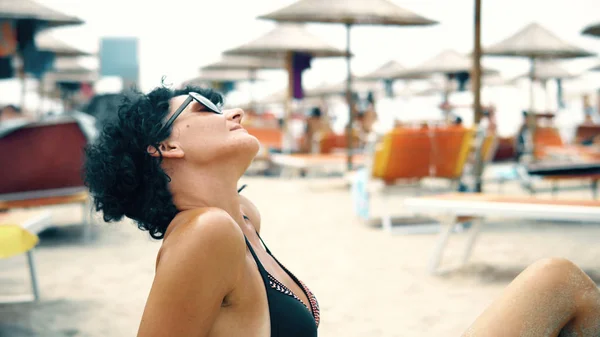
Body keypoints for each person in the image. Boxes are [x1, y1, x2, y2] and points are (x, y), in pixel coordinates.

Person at [84, 85, 599, 337]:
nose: (232, 111)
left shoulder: (242, 218)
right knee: (559, 280)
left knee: (560, 283)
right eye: (202, 105)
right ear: (163, 148)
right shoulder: (205, 233)